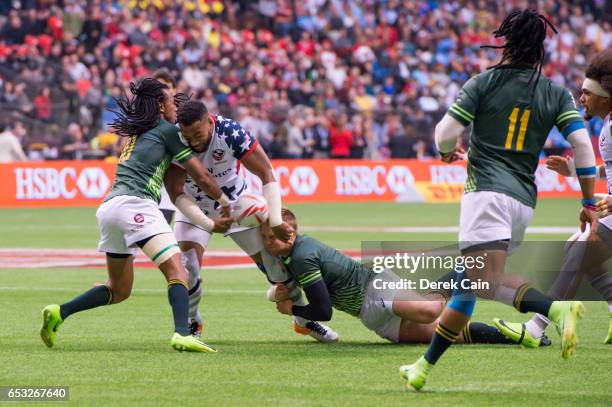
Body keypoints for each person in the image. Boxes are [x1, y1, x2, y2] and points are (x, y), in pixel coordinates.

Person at [400, 10, 598, 391]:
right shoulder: (555, 93)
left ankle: (555, 308)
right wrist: (588, 202)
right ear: (540, 48)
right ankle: (423, 367)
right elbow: (582, 146)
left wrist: (446, 151)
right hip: (523, 202)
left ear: (505, 41)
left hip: (486, 195)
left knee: (485, 278)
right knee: (467, 285)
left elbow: (445, 131)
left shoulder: (484, 82)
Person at [39, 78, 230, 353]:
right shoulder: (166, 131)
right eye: (169, 99)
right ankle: (182, 333)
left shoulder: (136, 131)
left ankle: (60, 312)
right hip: (136, 205)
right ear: (160, 106)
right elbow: (200, 175)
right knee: (178, 271)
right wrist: (224, 202)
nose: (174, 103)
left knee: (119, 290)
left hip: (109, 208)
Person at [164, 100, 339, 342]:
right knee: (189, 267)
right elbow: (175, 193)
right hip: (194, 209)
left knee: (276, 264)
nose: (193, 141)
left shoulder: (230, 132)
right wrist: (208, 223)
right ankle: (193, 321)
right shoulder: (174, 138)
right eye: (187, 136)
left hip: (238, 204)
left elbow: (266, 171)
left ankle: (303, 322)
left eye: (198, 134)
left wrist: (275, 219)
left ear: (210, 122)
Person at [262, 208, 537, 346]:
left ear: (290, 235)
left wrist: (291, 309)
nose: (266, 243)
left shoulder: (302, 255)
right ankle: (514, 337)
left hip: (375, 287)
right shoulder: (290, 255)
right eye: (264, 238)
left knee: (431, 311)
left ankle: (464, 272)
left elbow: (323, 310)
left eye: (270, 238)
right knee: (447, 334)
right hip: (369, 316)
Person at [495, 49, 612, 346]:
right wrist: (574, 169)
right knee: (578, 246)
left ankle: (536, 328)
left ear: (605, 97)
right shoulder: (608, 124)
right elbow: (608, 167)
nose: (581, 98)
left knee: (580, 248)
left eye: (586, 93)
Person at [152, 68, 178, 224]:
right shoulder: (143, 117)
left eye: (166, 86)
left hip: (171, 183)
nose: (162, 91)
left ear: (174, 90)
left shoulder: (184, 116)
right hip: (146, 183)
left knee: (161, 230)